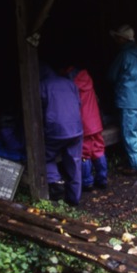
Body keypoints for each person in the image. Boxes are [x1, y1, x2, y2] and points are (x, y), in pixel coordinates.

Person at [107, 24, 137, 175]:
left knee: (129, 133)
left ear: (122, 39)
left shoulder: (124, 55)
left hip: (127, 99)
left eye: (117, 37)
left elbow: (112, 75)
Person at [39, 63, 83, 206]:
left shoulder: (42, 86)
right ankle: (74, 198)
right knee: (74, 161)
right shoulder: (69, 83)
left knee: (46, 156)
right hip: (76, 129)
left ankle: (56, 184)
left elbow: (38, 109)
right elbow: (78, 103)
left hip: (56, 130)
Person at [67, 67, 108, 190]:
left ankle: (87, 181)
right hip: (95, 121)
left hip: (84, 123)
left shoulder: (72, 86)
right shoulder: (88, 80)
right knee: (98, 149)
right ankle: (102, 179)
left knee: (85, 153)